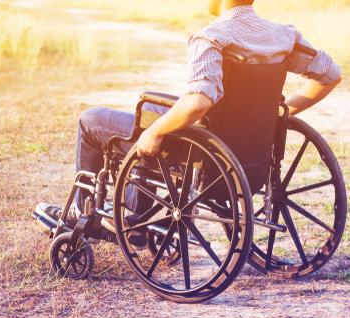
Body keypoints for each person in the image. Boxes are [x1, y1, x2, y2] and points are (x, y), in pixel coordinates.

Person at [46, 0, 342, 242]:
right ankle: (134, 212)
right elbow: (330, 74)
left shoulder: (212, 37)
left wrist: (156, 131)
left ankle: (83, 212)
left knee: (92, 120)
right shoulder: (283, 37)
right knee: (155, 114)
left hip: (204, 156)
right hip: (248, 164)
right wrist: (278, 113)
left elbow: (201, 100)